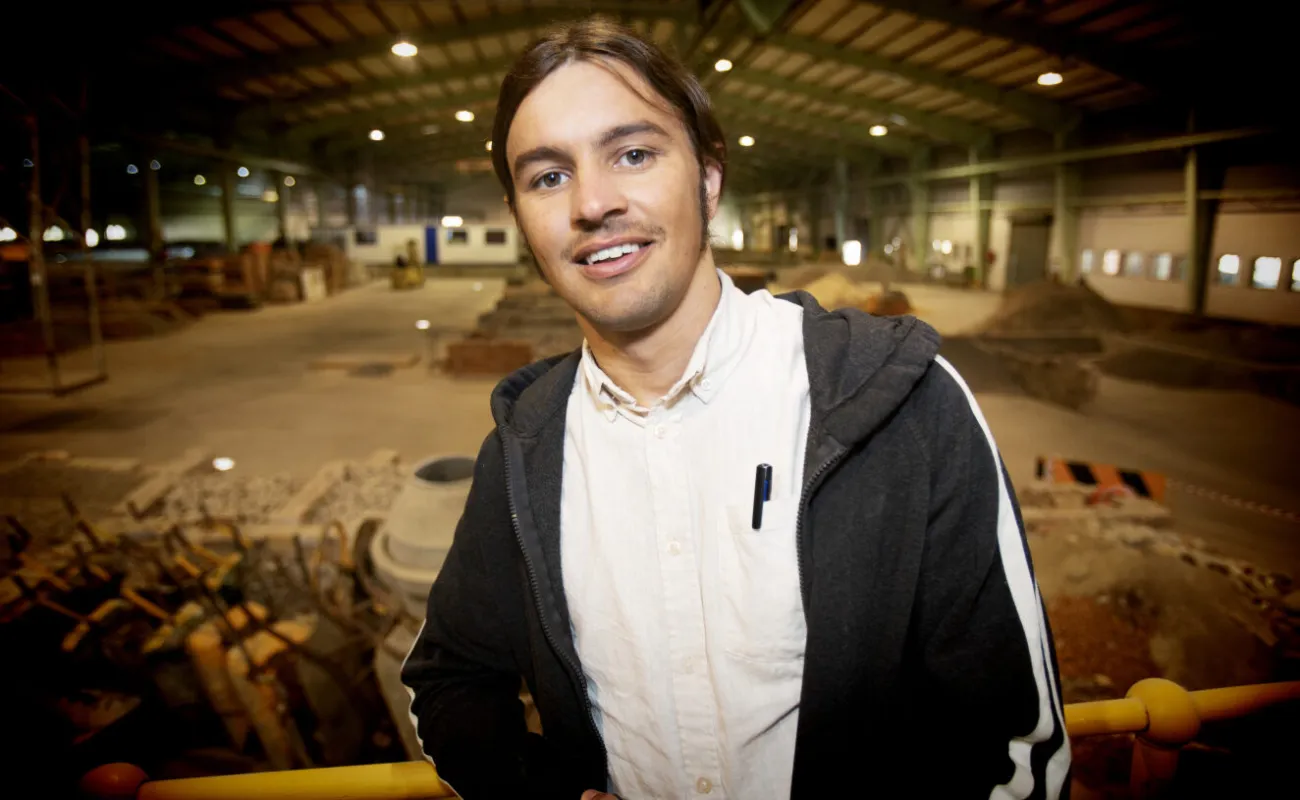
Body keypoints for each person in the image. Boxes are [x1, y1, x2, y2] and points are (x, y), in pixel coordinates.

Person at [402, 18, 1070, 800]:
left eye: (634, 154)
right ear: (523, 220)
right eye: (548, 177)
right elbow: (448, 680)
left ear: (709, 179)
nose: (592, 203)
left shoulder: (899, 401)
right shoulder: (527, 447)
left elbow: (1014, 750)